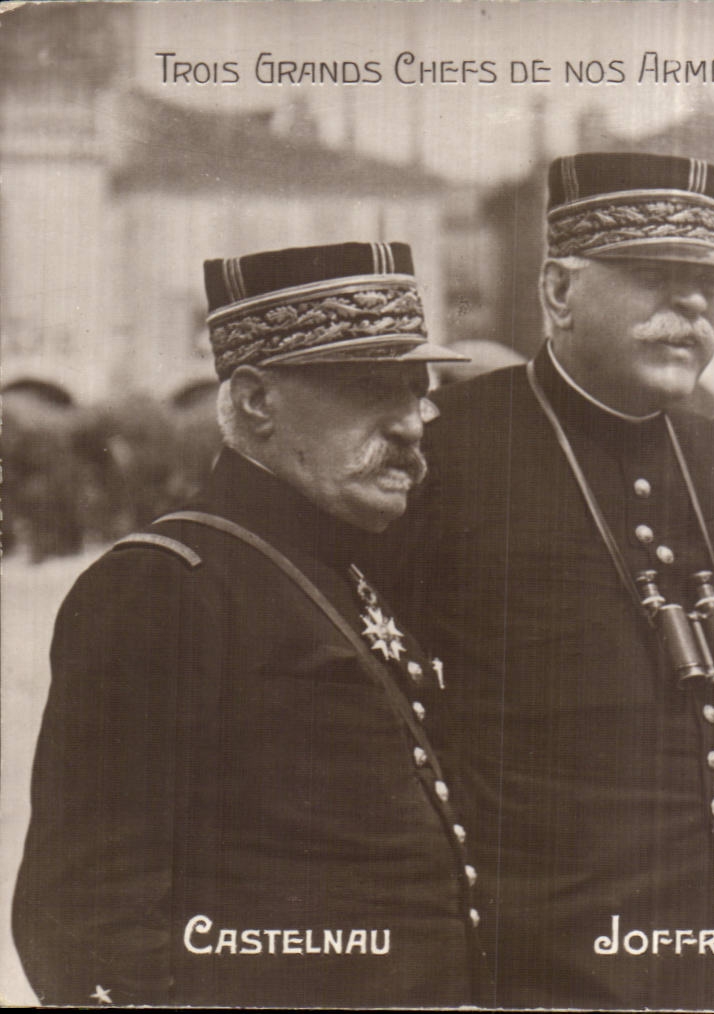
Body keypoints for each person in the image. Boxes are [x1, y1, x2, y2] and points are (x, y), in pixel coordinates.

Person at [13, 242, 481, 1007]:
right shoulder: (164, 584)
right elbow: (81, 921)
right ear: (259, 401)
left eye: (416, 393)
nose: (409, 427)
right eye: (371, 390)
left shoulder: (355, 572)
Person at [375, 152, 714, 1010]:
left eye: (707, 288)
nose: (689, 308)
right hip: (536, 963)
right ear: (559, 292)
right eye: (653, 279)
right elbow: (386, 734)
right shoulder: (448, 452)